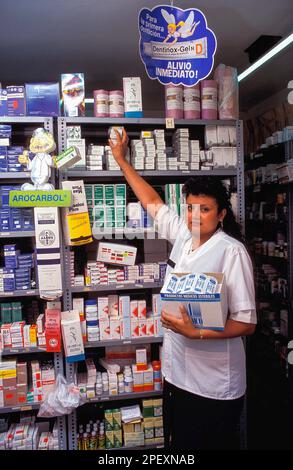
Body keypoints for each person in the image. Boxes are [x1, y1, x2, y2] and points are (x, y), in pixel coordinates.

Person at [109, 128, 256, 450]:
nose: (194, 215)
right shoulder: (183, 238)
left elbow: (247, 323)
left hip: (213, 383)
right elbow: (151, 201)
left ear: (220, 214)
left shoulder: (231, 251)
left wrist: (198, 333)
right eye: (190, 207)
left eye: (204, 209)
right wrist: (121, 159)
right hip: (177, 375)